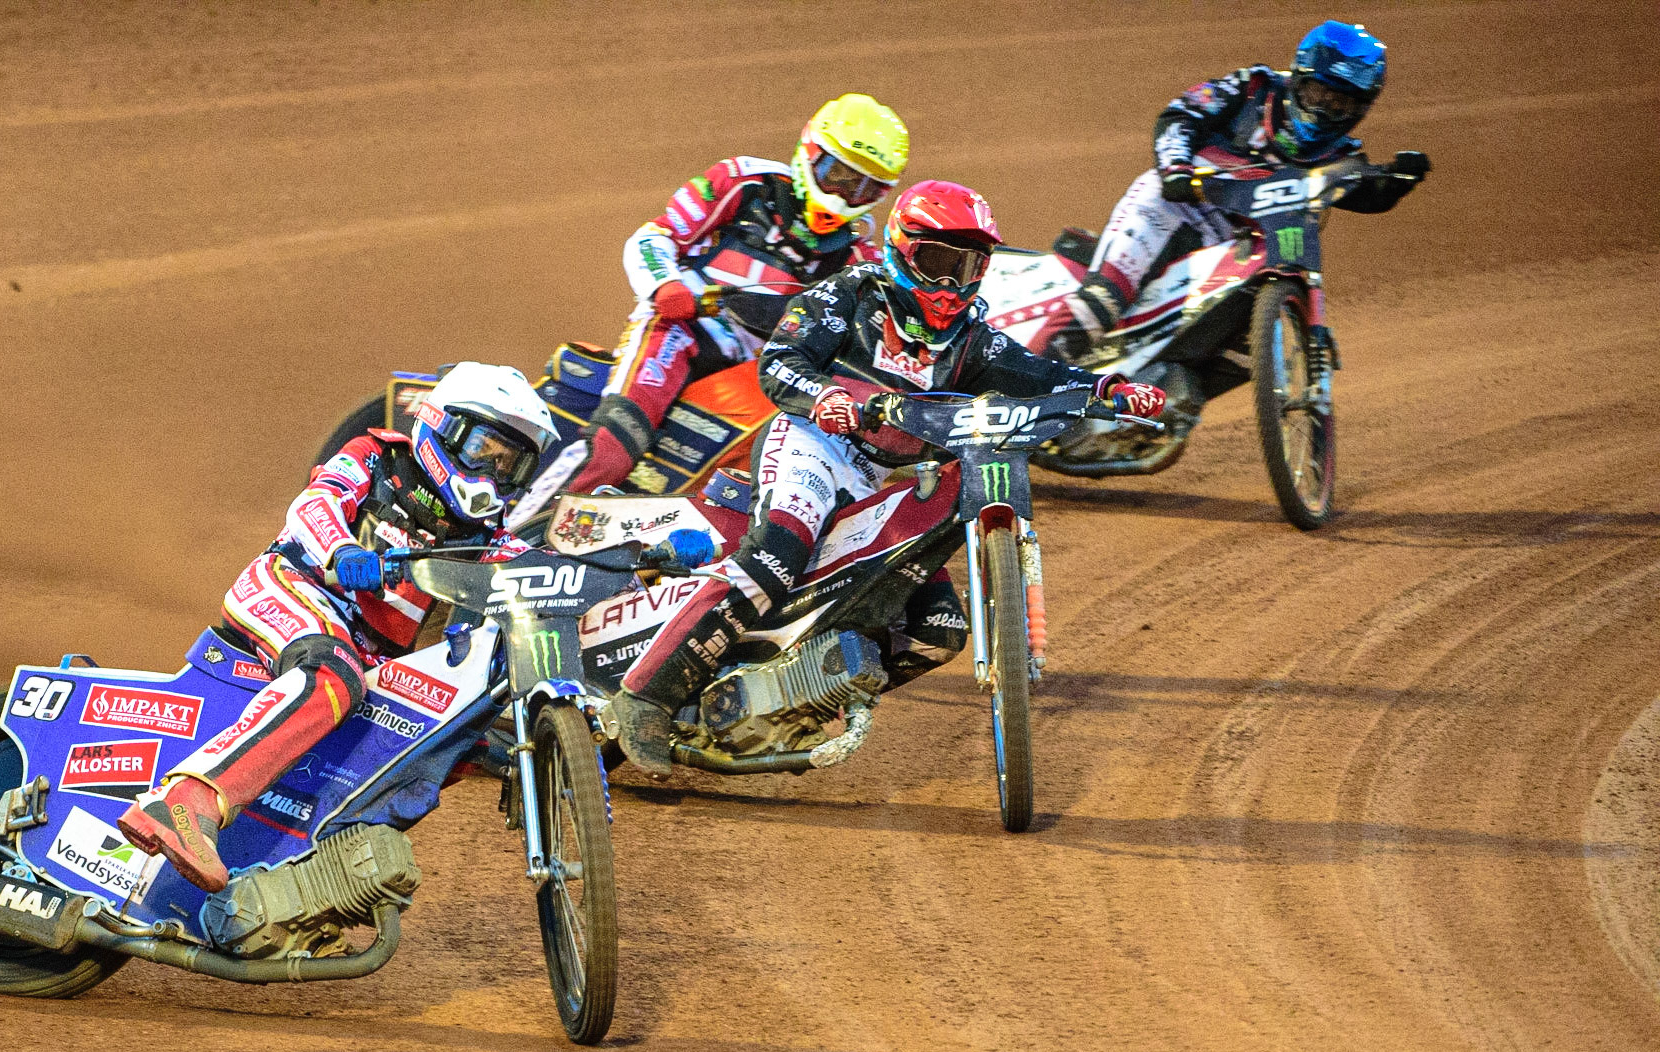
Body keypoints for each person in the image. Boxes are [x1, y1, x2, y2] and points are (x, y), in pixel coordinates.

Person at [609, 181, 1167, 777]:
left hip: (878, 478)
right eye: (939, 262)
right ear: (904, 250)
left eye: (970, 266)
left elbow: (1040, 373)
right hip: (812, 444)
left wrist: (1110, 390)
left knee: (939, 628)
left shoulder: (972, 339)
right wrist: (823, 395)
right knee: (774, 556)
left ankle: (794, 697)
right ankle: (647, 696)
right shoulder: (850, 293)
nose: (953, 284)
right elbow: (779, 363)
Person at [117, 363, 559, 891]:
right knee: (333, 677)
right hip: (291, 588)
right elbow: (316, 502)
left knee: (457, 735)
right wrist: (342, 549)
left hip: (363, 650)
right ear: (444, 426)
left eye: (509, 466)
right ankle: (187, 801)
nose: (491, 475)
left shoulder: (483, 534)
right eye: (484, 451)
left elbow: (540, 569)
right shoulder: (377, 457)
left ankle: (296, 870)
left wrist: (651, 563)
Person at [511, 94, 909, 525]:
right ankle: (511, 535)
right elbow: (654, 237)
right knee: (615, 442)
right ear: (810, 154)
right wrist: (666, 285)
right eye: (840, 175)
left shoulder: (861, 260)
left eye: (867, 187)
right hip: (683, 330)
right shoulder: (744, 183)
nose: (847, 194)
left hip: (758, 375)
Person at [1050, 19, 1432, 356]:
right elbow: (1180, 114)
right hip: (1177, 206)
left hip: (1242, 246)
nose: (1325, 110)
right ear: (1299, 78)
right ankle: (1027, 384)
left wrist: (1397, 180)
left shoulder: (1341, 154)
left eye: (1340, 104)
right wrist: (1176, 170)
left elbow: (1365, 193)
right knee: (1099, 306)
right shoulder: (1253, 87)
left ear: (1360, 109)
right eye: (1319, 94)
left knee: (1232, 354)